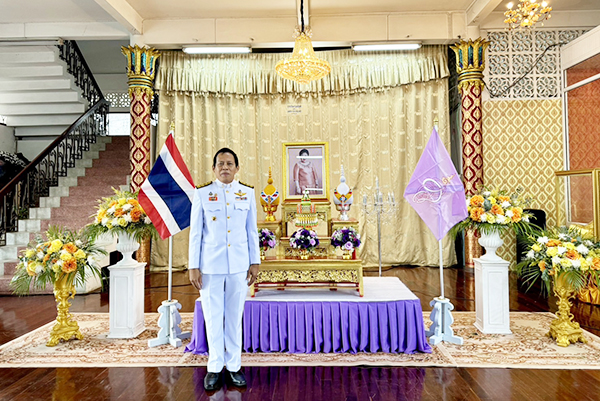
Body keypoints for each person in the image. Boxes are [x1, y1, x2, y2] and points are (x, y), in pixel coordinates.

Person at [188, 148, 260, 391]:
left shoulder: (247, 193)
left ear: (237, 168)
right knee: (212, 316)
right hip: (210, 266)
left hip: (239, 265)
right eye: (221, 163)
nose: (225, 167)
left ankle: (234, 366)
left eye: (230, 163)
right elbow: (196, 233)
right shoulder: (202, 193)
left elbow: (252, 230)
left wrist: (255, 261)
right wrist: (194, 266)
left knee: (234, 317)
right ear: (214, 168)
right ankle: (214, 367)